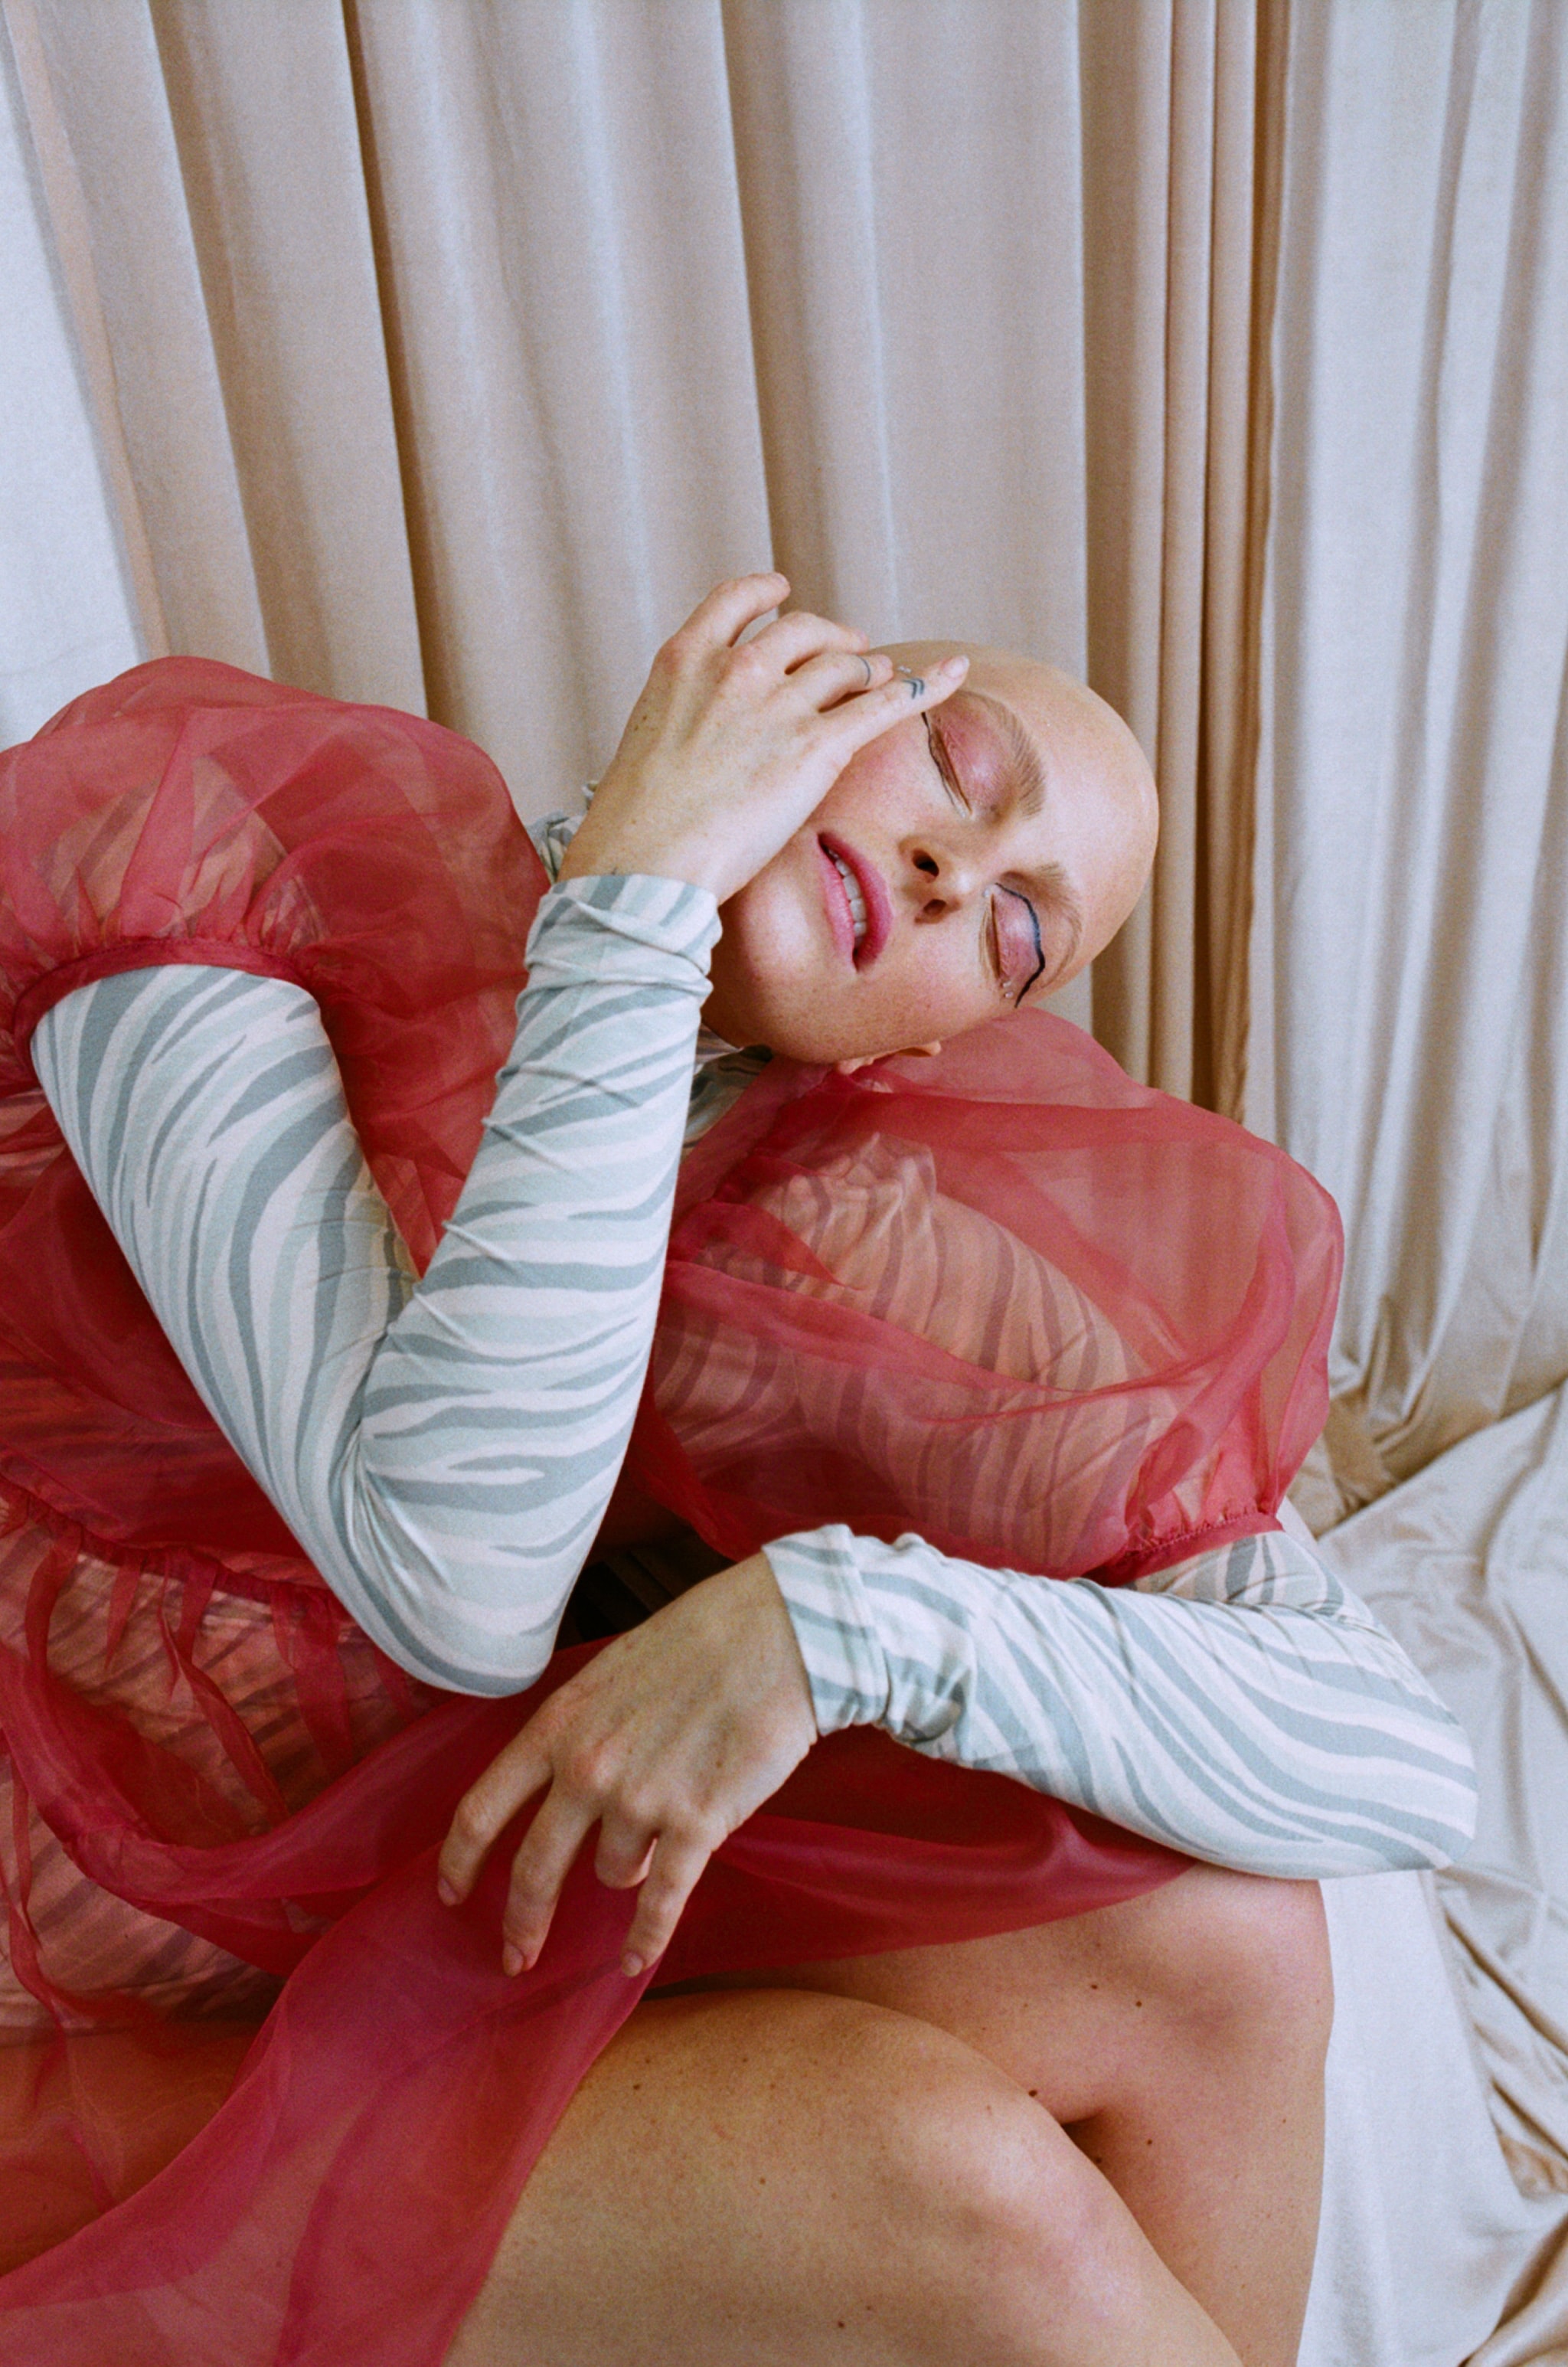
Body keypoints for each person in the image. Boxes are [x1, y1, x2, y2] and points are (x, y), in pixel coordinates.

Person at [0, 577, 1473, 2365]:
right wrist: (639, 897)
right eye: (955, 766)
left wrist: (838, 1623)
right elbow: (450, 1578)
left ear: (925, 1038)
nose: (953, 874)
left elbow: (1402, 1757)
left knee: (1223, 1941)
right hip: (67, 2037)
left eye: (1017, 930)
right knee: (939, 2174)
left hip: (385, 1936)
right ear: (788, 688)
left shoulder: (837, 1216)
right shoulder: (229, 876)